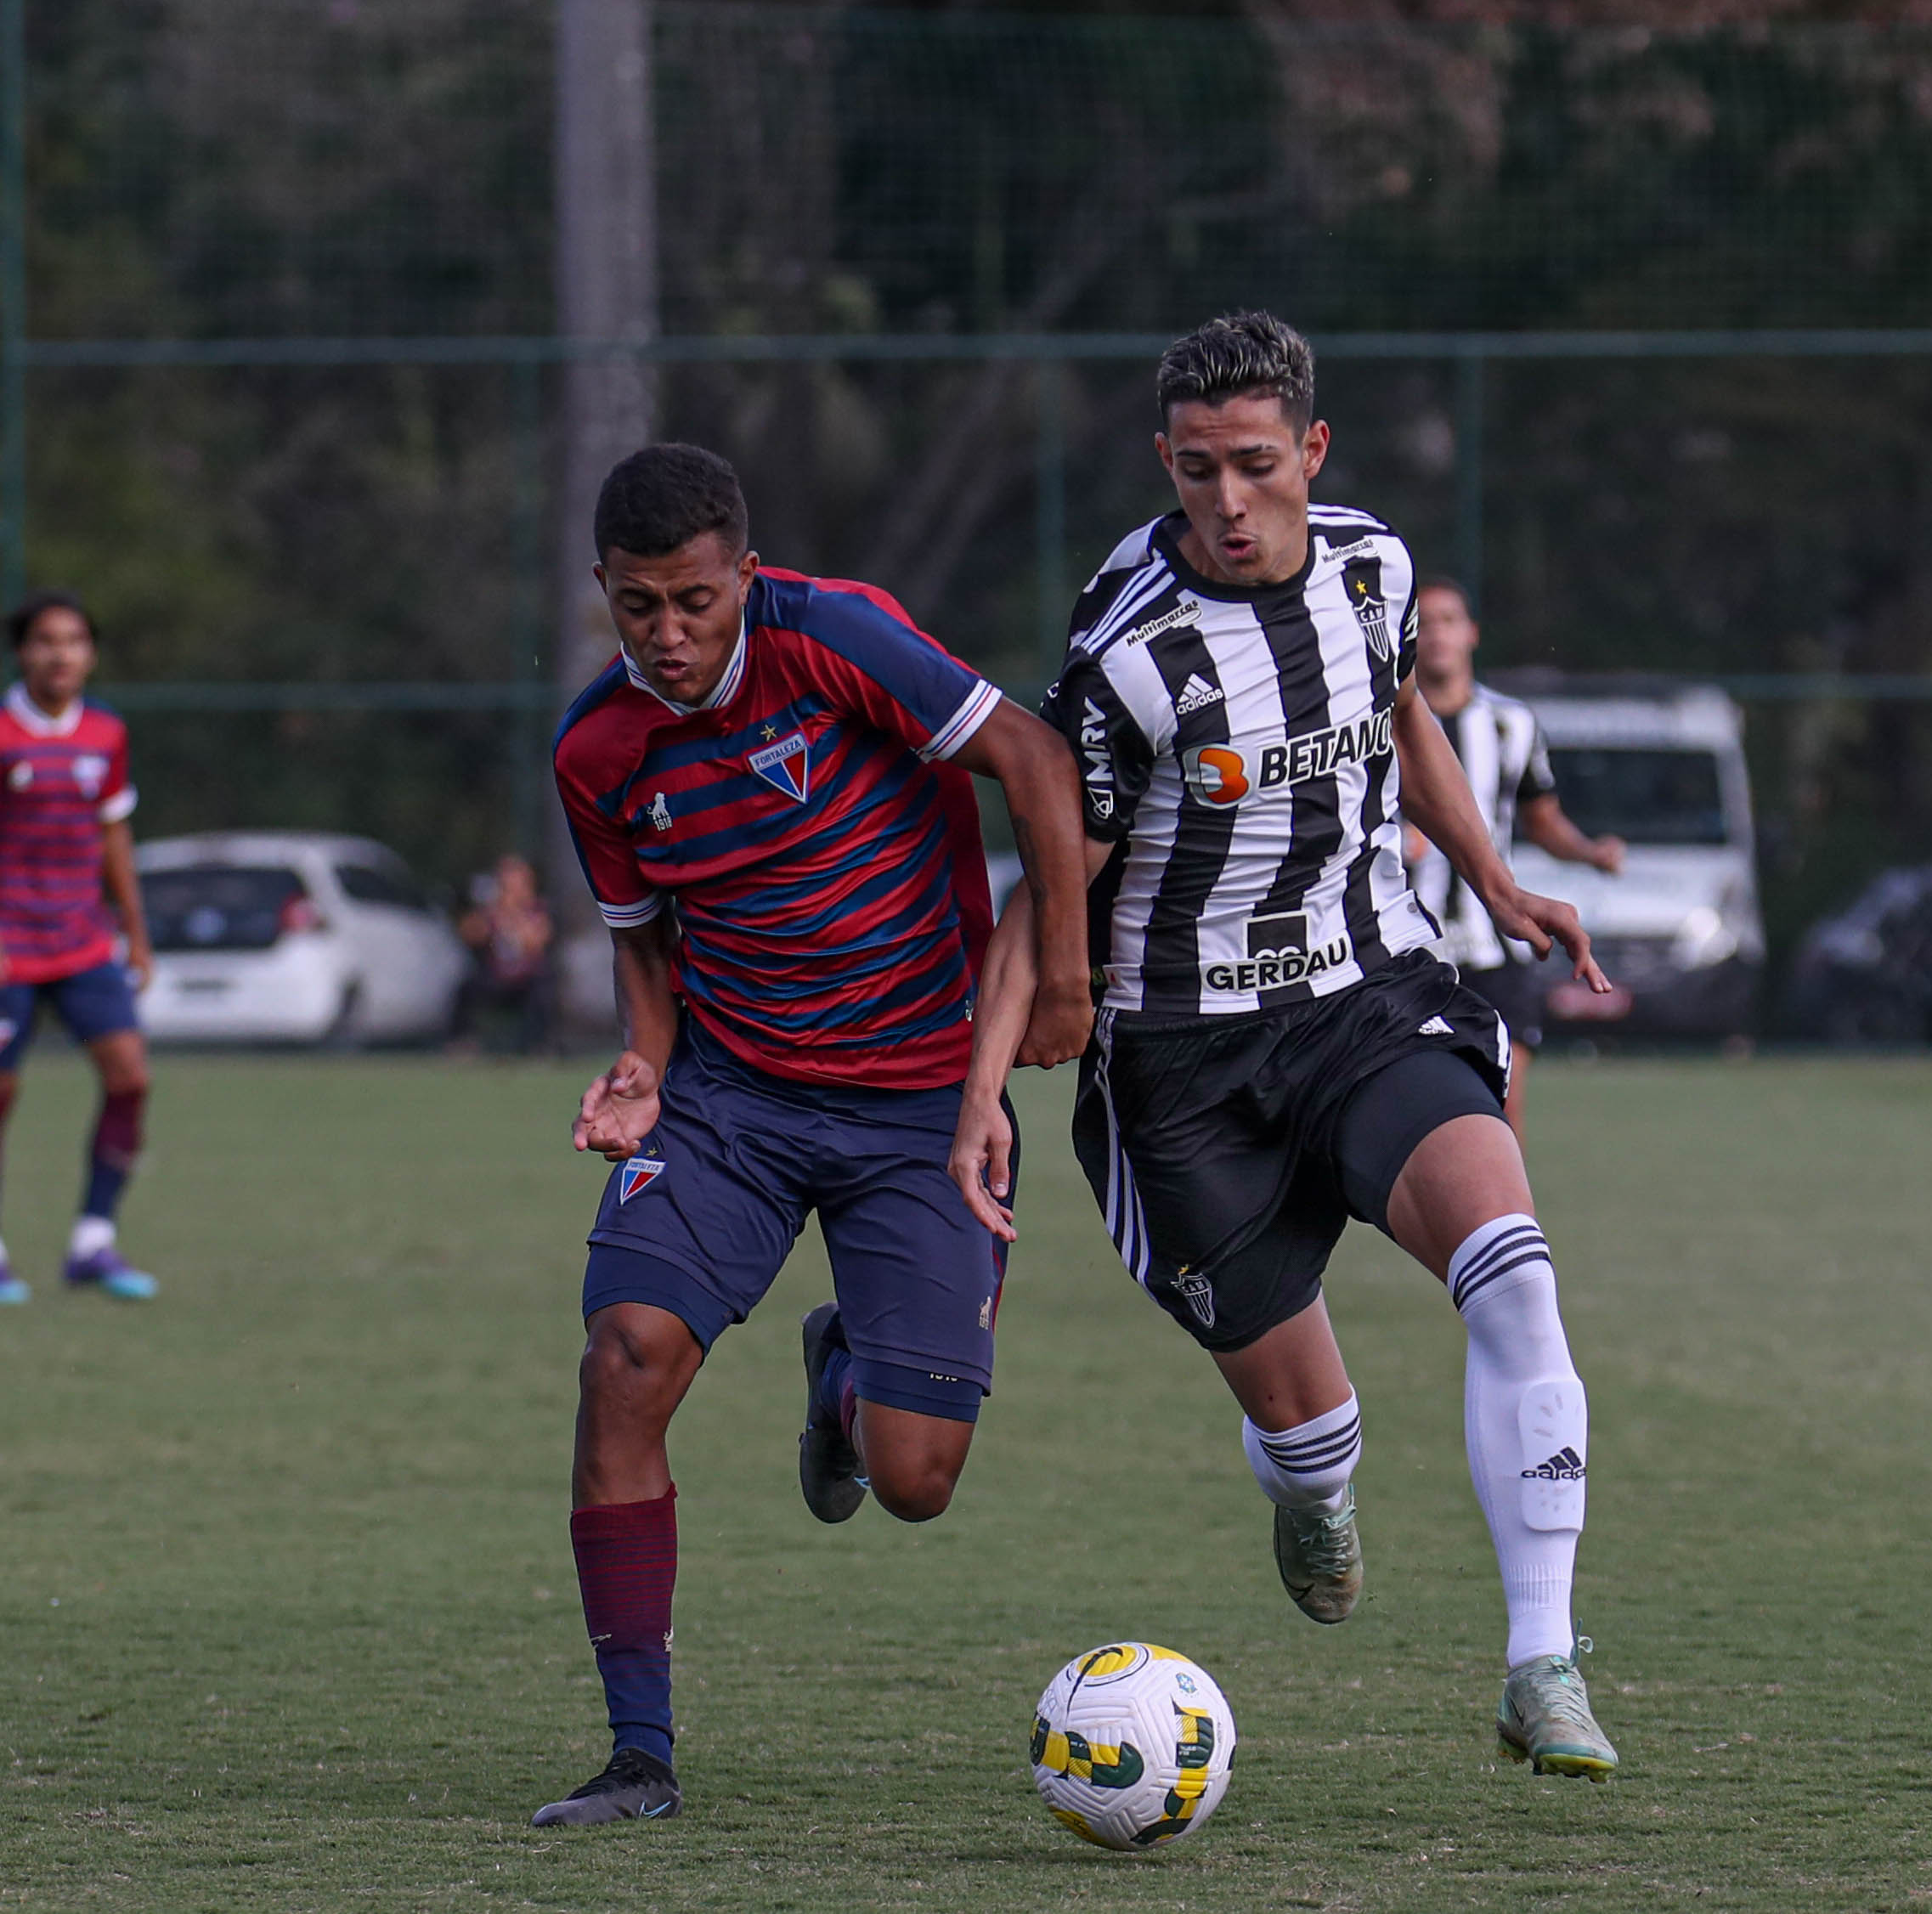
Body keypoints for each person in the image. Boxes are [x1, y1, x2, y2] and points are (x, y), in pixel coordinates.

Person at [951, 311, 1621, 1781]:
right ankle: (1312, 1487)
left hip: (1362, 997)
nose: (1228, 502)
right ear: (1165, 464)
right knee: (1310, 1439)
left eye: (1255, 466)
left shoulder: (1373, 566)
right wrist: (982, 1083)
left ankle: (1539, 1661)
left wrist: (1496, 879)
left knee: (1512, 1274)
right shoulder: (1132, 658)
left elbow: (1396, 714)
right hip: (1182, 1066)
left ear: (1310, 451)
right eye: (1196, 472)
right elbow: (1049, 868)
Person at [532, 443, 1088, 1827]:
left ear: (745, 572)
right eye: (637, 604)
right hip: (735, 1099)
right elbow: (644, 949)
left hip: (917, 1100)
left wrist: (1062, 978)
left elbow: (1030, 756)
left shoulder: (835, 634)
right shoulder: (597, 748)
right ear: (603, 587)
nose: (668, 635)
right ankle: (638, 1754)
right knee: (624, 1361)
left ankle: (845, 1368)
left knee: (913, 1480)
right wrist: (639, 1063)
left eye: (696, 601)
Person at [1406, 575, 1624, 1145]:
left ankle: (1504, 1228)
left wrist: (1588, 852)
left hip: (1494, 946)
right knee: (1417, 1113)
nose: (1436, 636)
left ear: (1472, 633)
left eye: (1449, 621)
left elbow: (1541, 820)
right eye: (1423, 623)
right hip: (1407, 945)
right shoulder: (1379, 724)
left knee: (1504, 1102)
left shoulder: (1511, 724)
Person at [0, 592, 156, 1304]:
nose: (59, 654)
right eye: (44, 641)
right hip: (7, 940)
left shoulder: (105, 733)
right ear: (21, 652)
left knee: (130, 1077)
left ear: (90, 654)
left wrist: (136, 932)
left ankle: (93, 1241)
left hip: (83, 937)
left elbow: (113, 836)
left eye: (73, 641)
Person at [453, 853, 556, 1053]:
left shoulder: (538, 909)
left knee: (543, 988)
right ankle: (463, 1042)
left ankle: (537, 1045)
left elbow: (536, 943)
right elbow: (469, 934)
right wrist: (491, 913)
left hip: (526, 981)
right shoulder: (490, 909)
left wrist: (513, 914)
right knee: (466, 987)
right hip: (495, 979)